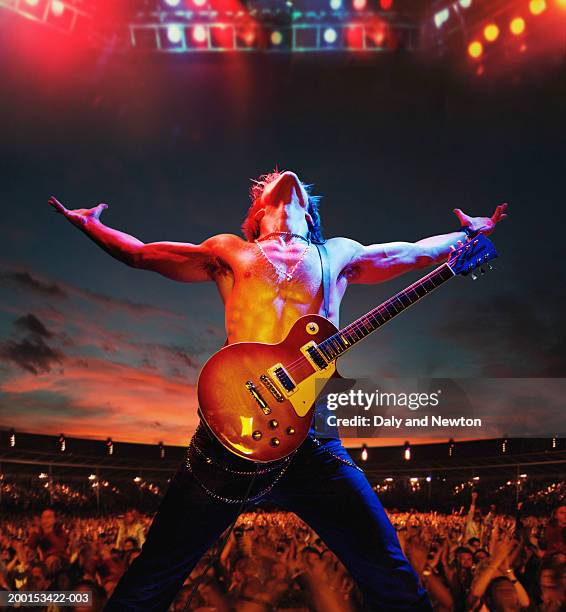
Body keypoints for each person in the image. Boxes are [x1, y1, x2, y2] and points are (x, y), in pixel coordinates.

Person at [49, 170, 508, 610]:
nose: (284, 178)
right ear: (255, 211)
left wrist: (467, 237)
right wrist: (92, 226)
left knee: (389, 572)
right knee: (155, 572)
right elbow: (144, 254)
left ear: (309, 213)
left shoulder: (336, 254)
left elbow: (408, 253)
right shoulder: (230, 250)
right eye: (270, 184)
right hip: (232, 431)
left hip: (313, 435)